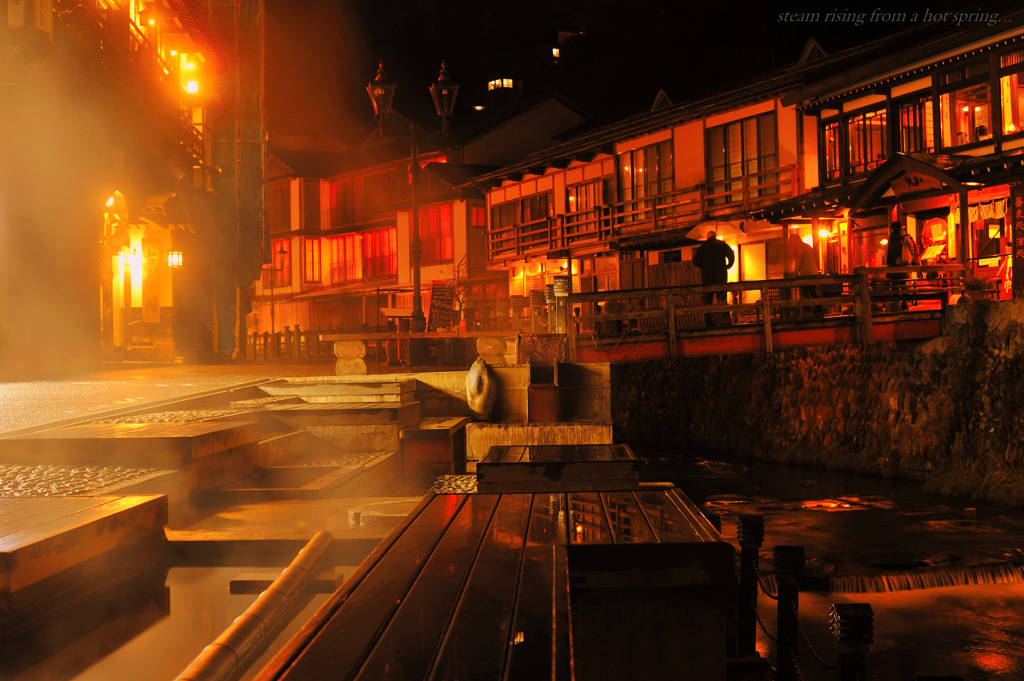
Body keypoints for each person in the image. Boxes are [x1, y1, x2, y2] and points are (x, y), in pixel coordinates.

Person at [692, 230, 735, 305]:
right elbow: (731, 254)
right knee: (722, 301)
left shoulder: (703, 247)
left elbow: (696, 261)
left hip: (707, 279)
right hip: (721, 278)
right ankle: (722, 316)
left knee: (707, 302)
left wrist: (703, 266)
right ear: (715, 236)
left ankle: (708, 316)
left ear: (707, 237)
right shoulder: (722, 245)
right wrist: (728, 265)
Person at [787, 234, 820, 317]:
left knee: (805, 293)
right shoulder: (807, 246)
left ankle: (807, 312)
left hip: (806, 274)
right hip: (813, 273)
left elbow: (798, 263)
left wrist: (794, 274)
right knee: (812, 292)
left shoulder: (800, 248)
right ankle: (819, 309)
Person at [886, 221, 910, 311]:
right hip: (903, 264)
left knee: (895, 285)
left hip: (894, 265)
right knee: (903, 284)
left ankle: (896, 305)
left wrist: (889, 265)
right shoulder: (905, 237)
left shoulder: (892, 238)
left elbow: (890, 252)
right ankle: (905, 303)